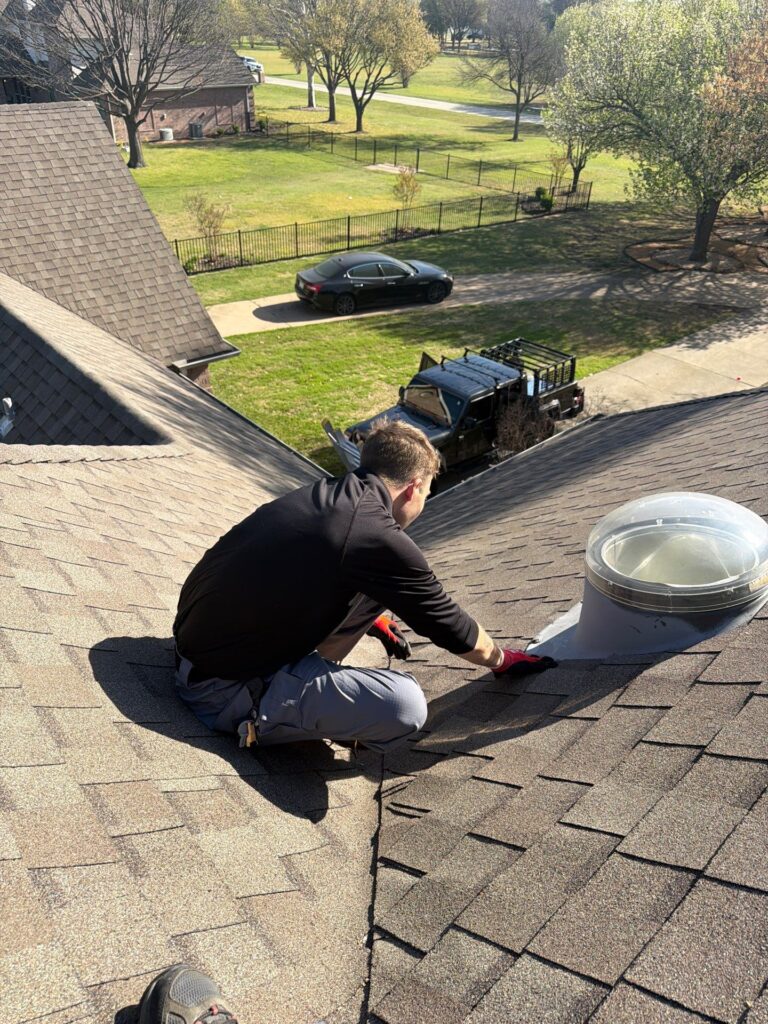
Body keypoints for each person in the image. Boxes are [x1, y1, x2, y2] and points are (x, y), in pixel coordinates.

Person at [172, 420, 555, 752]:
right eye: (425, 494)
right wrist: (503, 660)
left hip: (197, 647)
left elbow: (294, 577)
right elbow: (448, 622)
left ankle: (306, 688)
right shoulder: (375, 535)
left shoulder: (328, 497)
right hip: (222, 689)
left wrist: (372, 619)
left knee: (376, 588)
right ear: (413, 487)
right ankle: (271, 716)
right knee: (404, 706)